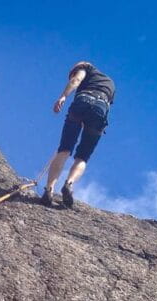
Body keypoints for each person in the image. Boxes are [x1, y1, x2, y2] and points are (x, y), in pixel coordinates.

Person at [41, 61, 115, 208]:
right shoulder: (110, 83)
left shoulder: (85, 68)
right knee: (83, 157)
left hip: (84, 100)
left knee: (65, 149)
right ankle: (69, 184)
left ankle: (49, 189)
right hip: (101, 109)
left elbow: (76, 80)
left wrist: (63, 96)